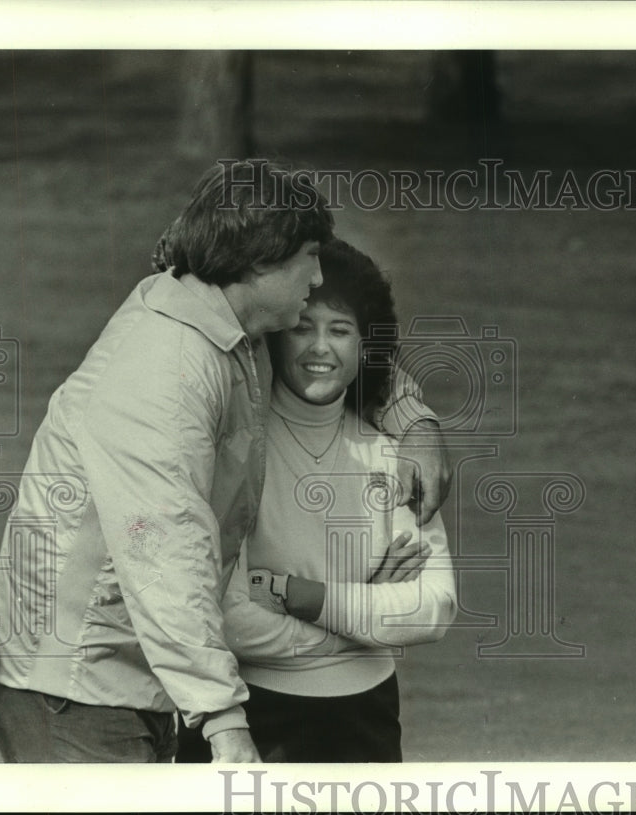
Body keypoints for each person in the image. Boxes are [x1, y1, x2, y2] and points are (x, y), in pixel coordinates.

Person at [0, 161, 450, 763]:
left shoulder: (222, 319)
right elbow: (167, 555)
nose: (317, 276)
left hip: (130, 675)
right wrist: (225, 720)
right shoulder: (169, 371)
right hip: (74, 685)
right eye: (309, 257)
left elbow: (342, 356)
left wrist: (416, 421)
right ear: (260, 261)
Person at [179, 239, 457, 763]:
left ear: (365, 344)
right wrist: (362, 616)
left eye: (341, 330)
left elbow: (432, 608)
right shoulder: (236, 446)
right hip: (247, 711)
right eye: (303, 327)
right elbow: (226, 618)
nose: (320, 348)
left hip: (366, 717)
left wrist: (296, 593)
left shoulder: (394, 454)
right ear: (276, 337)